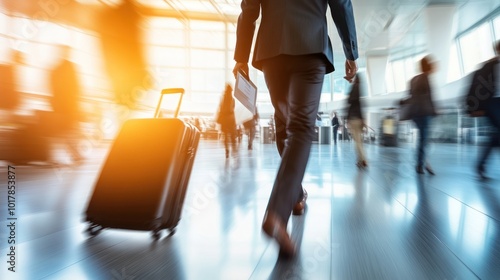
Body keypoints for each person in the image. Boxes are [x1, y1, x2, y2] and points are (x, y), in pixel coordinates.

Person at [233, 0, 358, 257]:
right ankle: (277, 214)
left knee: (284, 124)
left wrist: (241, 57)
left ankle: (297, 195)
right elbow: (341, 5)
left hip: (271, 51)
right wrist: (351, 52)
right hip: (310, 45)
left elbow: (249, 10)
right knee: (300, 128)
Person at [467, 41, 500, 180]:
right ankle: (480, 165)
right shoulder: (489, 66)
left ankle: (480, 165)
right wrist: (474, 108)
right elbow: (476, 86)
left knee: (496, 136)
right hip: (493, 102)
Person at [48, 44, 84, 164]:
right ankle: (75, 154)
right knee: (70, 130)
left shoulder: (55, 69)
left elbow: (53, 88)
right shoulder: (69, 67)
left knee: (67, 131)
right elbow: (76, 86)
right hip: (69, 105)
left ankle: (74, 154)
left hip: (62, 105)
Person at [409, 56, 438, 175]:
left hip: (415, 113)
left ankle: (424, 163)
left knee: (423, 139)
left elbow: (411, 96)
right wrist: (434, 110)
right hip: (424, 113)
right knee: (423, 140)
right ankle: (420, 164)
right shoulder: (425, 78)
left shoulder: (413, 79)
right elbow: (429, 97)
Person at [347, 74, 367, 168]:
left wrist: (347, 119)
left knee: (357, 141)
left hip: (352, 118)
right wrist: (363, 119)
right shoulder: (360, 89)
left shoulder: (353, 89)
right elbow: (361, 105)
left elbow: (348, 104)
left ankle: (362, 160)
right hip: (359, 119)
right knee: (360, 141)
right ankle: (361, 160)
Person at [216, 84, 238, 159]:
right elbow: (233, 108)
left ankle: (227, 150)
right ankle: (234, 150)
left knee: (225, 136)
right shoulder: (232, 99)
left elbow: (220, 108)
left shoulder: (222, 98)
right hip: (231, 119)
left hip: (224, 119)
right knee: (232, 136)